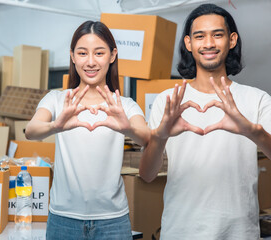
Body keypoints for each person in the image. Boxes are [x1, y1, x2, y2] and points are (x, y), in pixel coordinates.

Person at [139, 3, 271, 240]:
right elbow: (147, 174)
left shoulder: (257, 99)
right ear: (189, 43)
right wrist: (160, 136)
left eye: (217, 35)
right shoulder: (168, 101)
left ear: (231, 40)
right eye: (200, 36)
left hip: (239, 233)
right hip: (181, 231)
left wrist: (251, 131)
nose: (208, 43)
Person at [25, 20, 149, 240]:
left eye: (99, 53)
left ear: (112, 56)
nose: (90, 62)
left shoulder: (124, 105)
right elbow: (31, 130)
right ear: (72, 56)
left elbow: (147, 137)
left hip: (113, 220)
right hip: (63, 219)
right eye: (82, 53)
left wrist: (126, 127)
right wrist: (56, 126)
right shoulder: (56, 99)